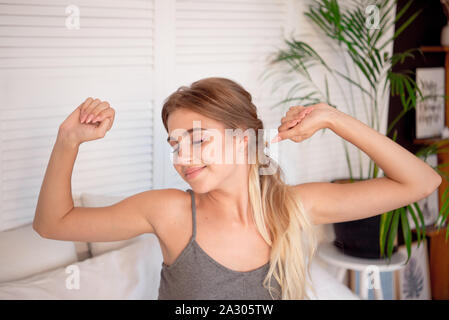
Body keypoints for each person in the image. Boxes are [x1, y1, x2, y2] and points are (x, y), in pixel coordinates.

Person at [33, 77, 442, 300]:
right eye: (175, 144)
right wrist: (68, 141)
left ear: (244, 140)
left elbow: (423, 181)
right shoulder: (170, 212)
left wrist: (333, 119)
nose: (182, 157)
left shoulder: (294, 206)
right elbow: (53, 224)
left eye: (197, 139)